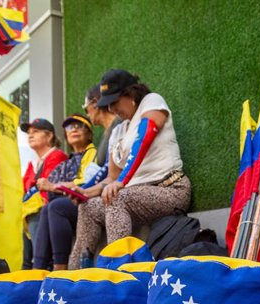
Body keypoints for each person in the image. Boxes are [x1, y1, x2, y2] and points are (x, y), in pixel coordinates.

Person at [68, 70, 191, 269]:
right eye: (107, 104)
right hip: (135, 195)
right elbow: (111, 178)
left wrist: (122, 182)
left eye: (114, 101)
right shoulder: (117, 131)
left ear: (131, 95)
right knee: (88, 207)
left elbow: (144, 139)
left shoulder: (151, 101)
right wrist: (85, 192)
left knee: (117, 197)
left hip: (170, 189)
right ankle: (77, 274)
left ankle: (117, 273)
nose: (111, 108)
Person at [32, 114, 97, 270]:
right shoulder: (67, 162)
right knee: (48, 207)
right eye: (69, 127)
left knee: (56, 207)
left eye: (79, 126)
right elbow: (50, 190)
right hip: (71, 202)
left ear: (89, 133)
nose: (73, 129)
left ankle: (59, 268)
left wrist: (56, 187)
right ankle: (38, 270)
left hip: (89, 200)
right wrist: (57, 188)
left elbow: (88, 183)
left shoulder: (92, 153)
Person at [20, 118, 67, 269]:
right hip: (28, 211)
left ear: (49, 136)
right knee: (25, 258)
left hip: (44, 209)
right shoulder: (33, 163)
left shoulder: (57, 156)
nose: (30, 135)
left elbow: (46, 187)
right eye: (29, 133)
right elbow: (25, 187)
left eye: (35, 132)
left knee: (36, 259)